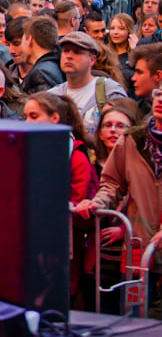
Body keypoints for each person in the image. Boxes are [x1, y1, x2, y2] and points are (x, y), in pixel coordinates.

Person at [74, 88, 162, 309]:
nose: (160, 99)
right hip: (140, 249)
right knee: (136, 321)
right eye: (159, 93)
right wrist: (98, 202)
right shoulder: (133, 140)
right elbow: (112, 184)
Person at [49, 32, 127, 135]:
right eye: (66, 51)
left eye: (77, 52)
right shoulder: (53, 95)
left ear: (92, 60)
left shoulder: (110, 91)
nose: (69, 56)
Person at [24, 92, 96, 202]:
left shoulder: (76, 157)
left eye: (34, 116)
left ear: (54, 118)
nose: (27, 122)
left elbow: (76, 200)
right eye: (26, 116)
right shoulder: (23, 151)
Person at [20, 15, 65, 94]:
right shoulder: (56, 64)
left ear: (30, 40)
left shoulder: (41, 73)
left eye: (22, 39)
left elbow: (45, 105)